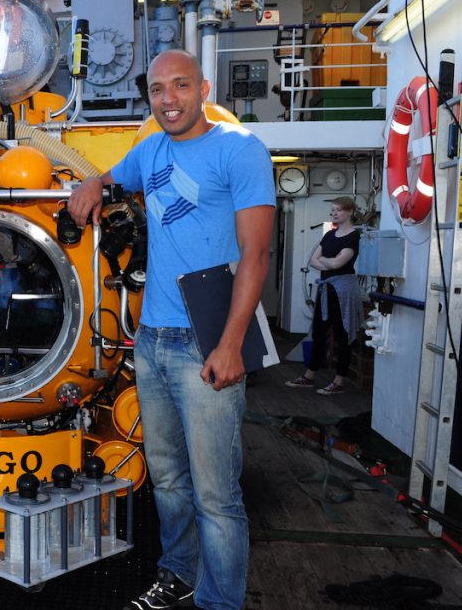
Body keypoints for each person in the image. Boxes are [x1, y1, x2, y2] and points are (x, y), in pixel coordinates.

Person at [68, 49, 274, 610]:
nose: (168, 99)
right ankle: (178, 572)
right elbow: (115, 176)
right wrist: (94, 185)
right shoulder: (151, 149)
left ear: (203, 89)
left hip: (207, 343)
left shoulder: (240, 150)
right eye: (158, 90)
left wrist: (231, 344)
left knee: (216, 494)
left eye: (180, 86)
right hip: (152, 342)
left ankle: (220, 602)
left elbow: (257, 254)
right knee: (168, 481)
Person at [285, 197, 362, 395]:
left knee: (343, 335)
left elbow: (337, 264)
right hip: (327, 290)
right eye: (333, 210)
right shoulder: (329, 235)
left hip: (343, 292)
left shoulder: (354, 236)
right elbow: (313, 260)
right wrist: (330, 261)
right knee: (319, 332)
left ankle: (339, 381)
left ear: (350, 212)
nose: (334, 213)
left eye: (338, 210)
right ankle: (309, 376)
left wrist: (326, 262)